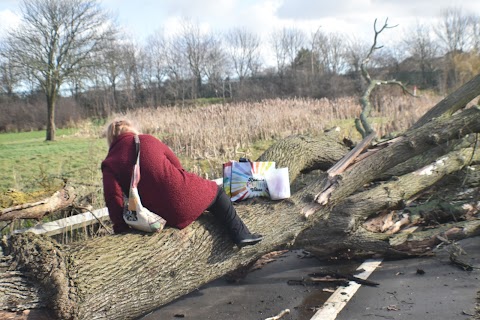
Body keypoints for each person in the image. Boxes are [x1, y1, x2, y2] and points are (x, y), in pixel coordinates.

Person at [101, 119, 263, 248]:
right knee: (216, 192)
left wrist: (121, 229)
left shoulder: (110, 162)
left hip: (162, 216)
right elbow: (177, 165)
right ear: (131, 130)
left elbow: (113, 198)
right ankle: (241, 234)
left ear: (111, 140)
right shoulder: (148, 140)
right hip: (184, 195)